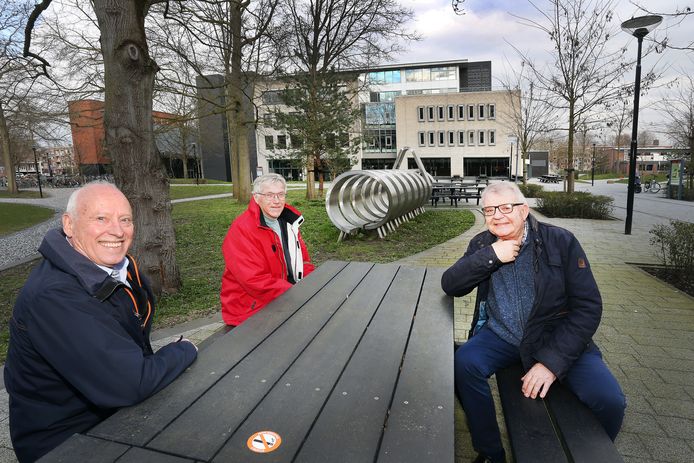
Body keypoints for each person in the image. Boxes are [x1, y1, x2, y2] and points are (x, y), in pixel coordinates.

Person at [3, 182, 198, 463]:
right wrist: (184, 349)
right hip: (67, 442)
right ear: (69, 225)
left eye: (125, 220)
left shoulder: (113, 268)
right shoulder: (56, 296)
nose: (117, 231)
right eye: (101, 219)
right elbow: (128, 383)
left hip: (109, 416)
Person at [441, 182, 625, 463]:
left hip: (555, 337)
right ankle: (490, 452)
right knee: (464, 364)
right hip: (502, 336)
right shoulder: (482, 244)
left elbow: (588, 307)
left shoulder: (561, 242)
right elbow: (451, 284)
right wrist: (492, 256)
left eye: (506, 208)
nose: (497, 216)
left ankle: (586, 456)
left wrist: (551, 362)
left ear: (524, 210)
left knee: (609, 400)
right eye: (489, 210)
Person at [221, 173, 314, 326]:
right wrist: (296, 294)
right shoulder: (242, 230)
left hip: (283, 297)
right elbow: (254, 281)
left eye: (280, 194)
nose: (276, 201)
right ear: (256, 198)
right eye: (269, 195)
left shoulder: (289, 223)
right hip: (251, 308)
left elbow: (303, 262)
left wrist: (312, 285)